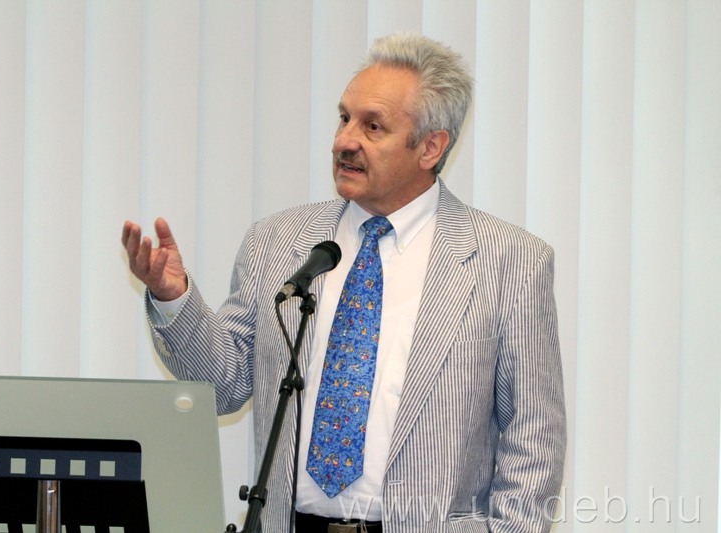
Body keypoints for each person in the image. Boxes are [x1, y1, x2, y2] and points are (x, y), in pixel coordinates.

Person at [123, 33, 565, 533]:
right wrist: (173, 297)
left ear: (430, 147)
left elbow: (535, 438)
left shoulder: (510, 263)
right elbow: (223, 385)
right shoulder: (277, 242)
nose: (344, 141)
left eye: (372, 126)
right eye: (344, 118)